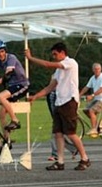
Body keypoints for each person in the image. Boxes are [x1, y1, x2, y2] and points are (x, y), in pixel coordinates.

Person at [25, 42, 90, 171]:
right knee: (58, 133)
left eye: (55, 54)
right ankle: (60, 161)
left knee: (70, 133)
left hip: (69, 101)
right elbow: (51, 86)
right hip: (59, 102)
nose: (54, 56)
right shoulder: (58, 71)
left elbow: (48, 65)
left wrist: (31, 58)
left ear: (62, 53)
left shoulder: (70, 63)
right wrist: (36, 96)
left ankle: (85, 158)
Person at [0, 39, 29, 154]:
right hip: (12, 86)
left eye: (2, 51)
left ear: (5, 51)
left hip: (21, 85)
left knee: (1, 96)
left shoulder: (11, 58)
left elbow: (6, 77)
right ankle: (6, 141)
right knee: (1, 114)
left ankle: (15, 120)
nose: (0, 54)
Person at [45, 75, 78, 161]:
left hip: (62, 115)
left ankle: (56, 153)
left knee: (61, 134)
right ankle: (73, 149)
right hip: (56, 116)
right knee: (58, 134)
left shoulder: (59, 94)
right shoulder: (50, 94)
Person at [79, 62, 102, 138]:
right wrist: (79, 95)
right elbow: (87, 87)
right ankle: (96, 126)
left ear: (101, 69)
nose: (97, 70)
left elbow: (101, 89)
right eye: (95, 69)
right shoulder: (93, 78)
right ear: (93, 70)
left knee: (91, 111)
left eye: (98, 69)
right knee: (85, 109)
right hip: (97, 99)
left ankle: (94, 129)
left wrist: (92, 95)